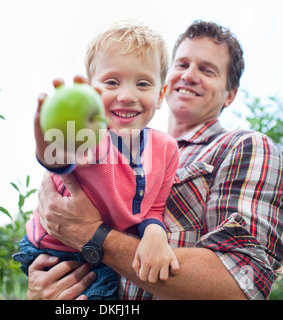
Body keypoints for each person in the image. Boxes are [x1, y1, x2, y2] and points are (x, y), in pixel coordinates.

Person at [26, 20, 283, 300]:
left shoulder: (243, 147)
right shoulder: (105, 137)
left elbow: (240, 282)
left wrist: (91, 234)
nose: (189, 76)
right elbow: (61, 155)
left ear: (230, 94)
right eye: (181, 65)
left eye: (207, 70)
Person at [13, 20, 180, 300]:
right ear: (90, 89)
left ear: (161, 94)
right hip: (56, 254)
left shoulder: (166, 149)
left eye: (143, 83)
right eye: (112, 82)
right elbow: (59, 159)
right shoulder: (90, 135)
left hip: (101, 254)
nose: (127, 96)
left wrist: (154, 233)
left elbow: (153, 208)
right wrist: (50, 136)